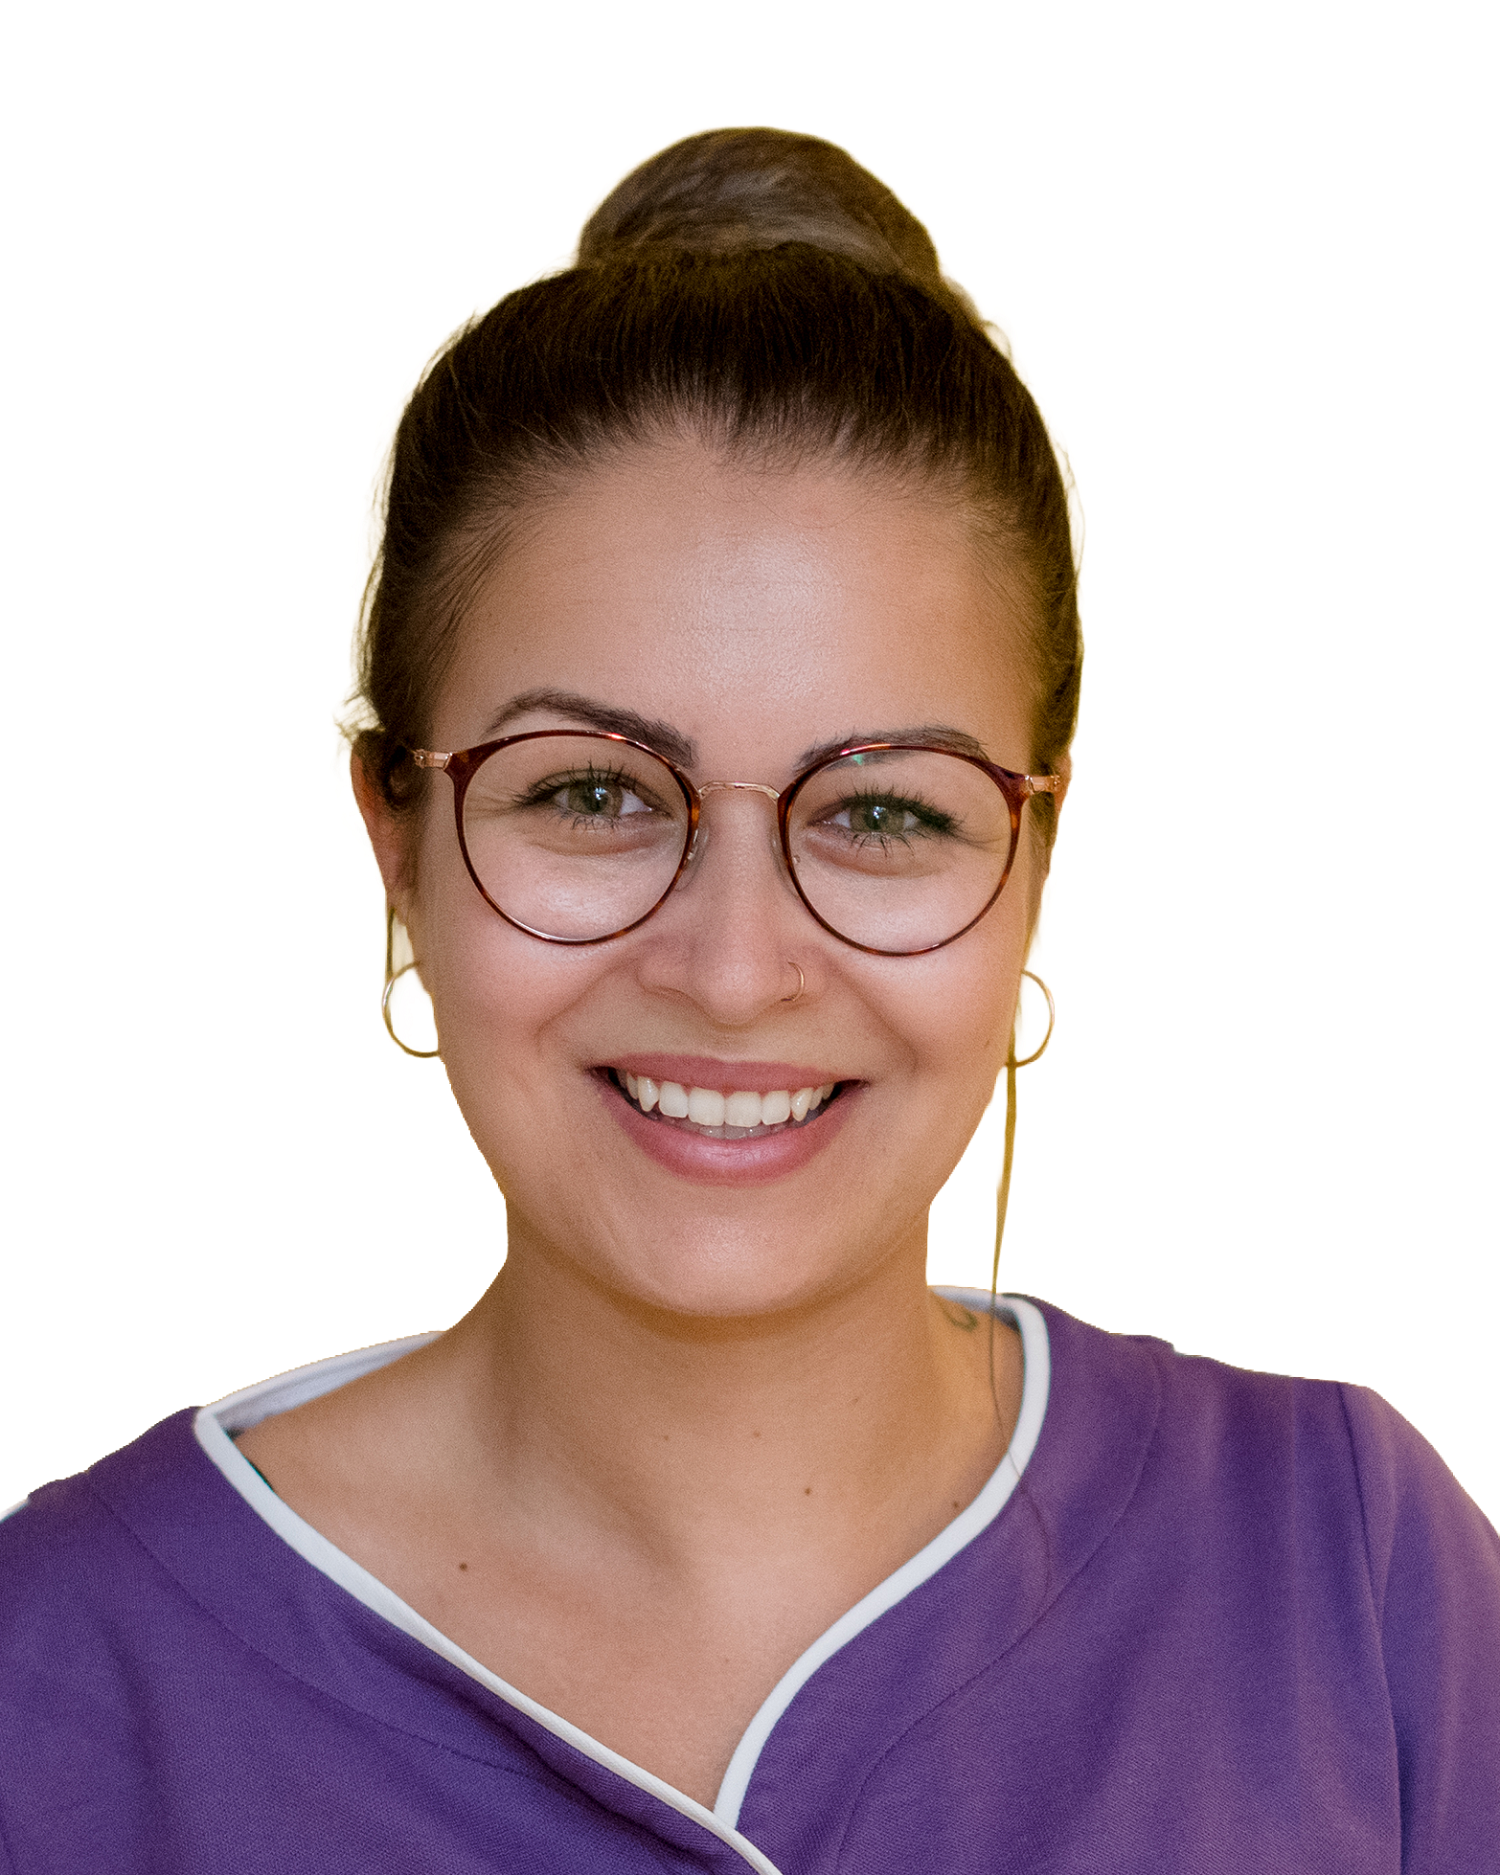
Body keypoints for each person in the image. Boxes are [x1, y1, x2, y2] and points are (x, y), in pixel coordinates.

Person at [1, 128, 1496, 1875]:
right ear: (394, 841)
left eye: (886, 812)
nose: (729, 968)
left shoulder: (1346, 1576)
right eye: (591, 792)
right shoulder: (60, 1686)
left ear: (1036, 856)